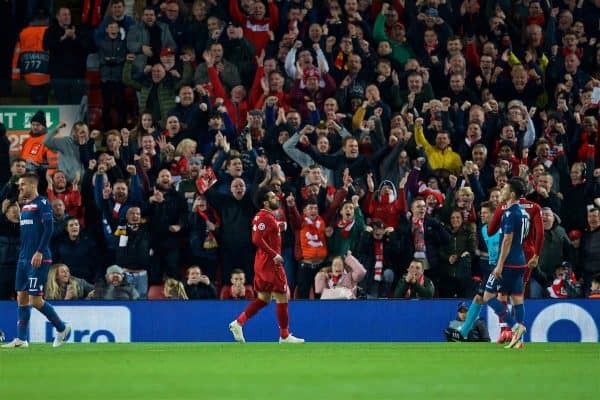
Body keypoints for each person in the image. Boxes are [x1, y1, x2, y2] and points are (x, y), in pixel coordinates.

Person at [1, 173, 70, 348]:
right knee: (21, 298)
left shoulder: (43, 203)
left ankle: (62, 328)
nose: (21, 187)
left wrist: (39, 251)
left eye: (23, 184)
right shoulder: (24, 207)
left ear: (33, 185)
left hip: (39, 259)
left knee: (35, 300)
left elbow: (49, 228)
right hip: (23, 259)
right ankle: (22, 339)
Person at [228, 189, 304, 344]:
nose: (275, 197)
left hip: (261, 263)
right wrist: (273, 254)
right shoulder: (265, 217)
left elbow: (264, 234)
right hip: (271, 264)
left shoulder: (263, 217)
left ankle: (238, 322)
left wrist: (278, 228)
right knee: (282, 297)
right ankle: (284, 336)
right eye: (272, 196)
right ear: (265, 202)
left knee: (264, 298)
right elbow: (256, 239)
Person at [481, 177, 530, 350]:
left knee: (488, 296)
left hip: (508, 263)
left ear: (513, 194)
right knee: (517, 298)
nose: (502, 191)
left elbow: (508, 239)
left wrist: (499, 264)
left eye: (505, 189)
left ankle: (515, 326)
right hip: (520, 261)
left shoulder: (510, 212)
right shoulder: (524, 213)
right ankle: (520, 340)